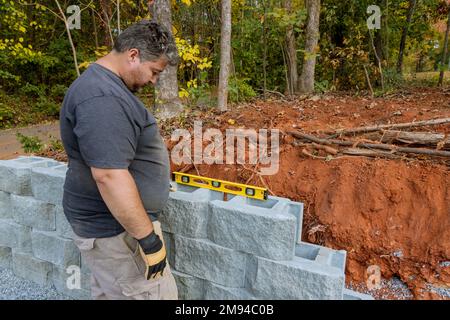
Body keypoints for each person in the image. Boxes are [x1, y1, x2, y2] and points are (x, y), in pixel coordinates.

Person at [59, 20, 179, 300]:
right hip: (117, 233)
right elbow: (109, 175)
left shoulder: (104, 87)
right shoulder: (102, 97)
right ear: (133, 55)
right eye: (154, 71)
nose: (153, 80)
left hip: (111, 230)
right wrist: (148, 240)